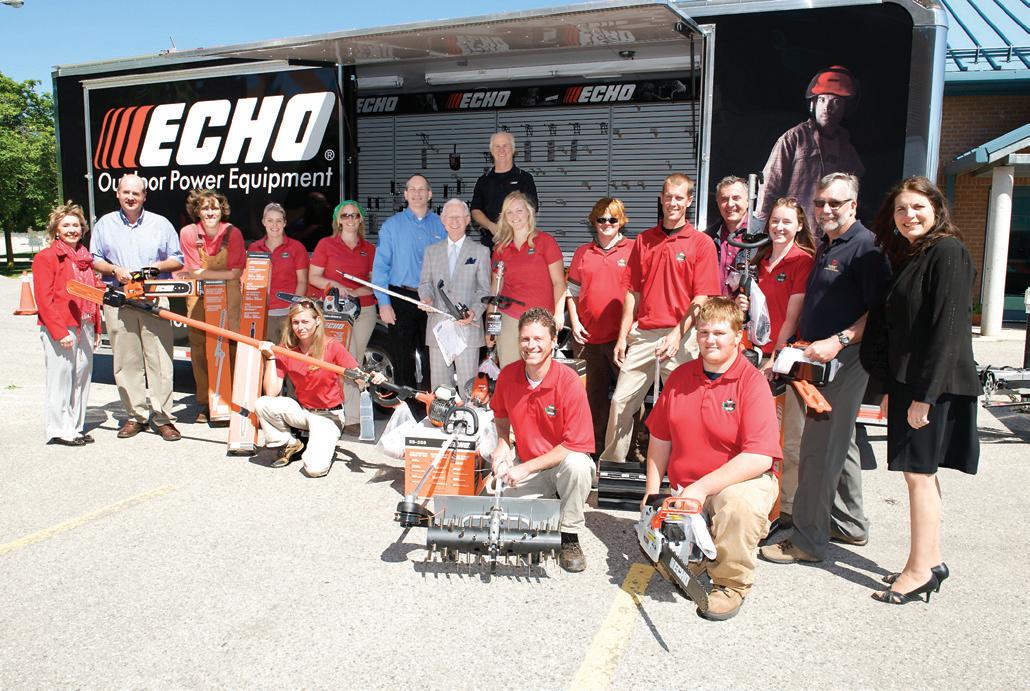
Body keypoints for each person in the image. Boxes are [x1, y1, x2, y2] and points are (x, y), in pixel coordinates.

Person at [760, 172, 891, 566]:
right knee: (840, 441)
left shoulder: (867, 248)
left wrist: (840, 340)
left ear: (853, 205)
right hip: (818, 360)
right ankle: (849, 523)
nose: (826, 209)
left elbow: (881, 311)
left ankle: (807, 540)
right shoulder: (829, 244)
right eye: (820, 203)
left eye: (835, 202)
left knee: (818, 450)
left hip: (845, 360)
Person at [861, 176, 980, 604]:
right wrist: (892, 387)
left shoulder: (948, 252)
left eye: (917, 207)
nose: (908, 215)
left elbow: (948, 330)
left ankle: (918, 571)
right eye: (901, 209)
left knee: (918, 475)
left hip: (932, 386)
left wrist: (924, 397)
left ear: (936, 209)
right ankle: (930, 560)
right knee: (921, 474)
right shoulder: (915, 254)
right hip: (911, 383)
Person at [643, 298, 781, 620]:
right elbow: (660, 439)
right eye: (704, 332)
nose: (710, 340)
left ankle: (731, 584)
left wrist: (702, 488)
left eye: (719, 333)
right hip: (688, 490)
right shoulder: (680, 377)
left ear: (737, 336)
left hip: (738, 481)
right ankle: (700, 554)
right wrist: (651, 496)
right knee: (670, 568)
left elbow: (759, 457)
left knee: (737, 506)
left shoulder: (752, 383)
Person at [600, 173, 720, 464]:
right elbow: (632, 293)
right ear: (661, 199)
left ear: (689, 201)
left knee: (688, 408)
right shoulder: (644, 240)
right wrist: (622, 336)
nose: (672, 203)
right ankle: (612, 468)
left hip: (683, 336)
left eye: (679, 198)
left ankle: (689, 469)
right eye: (668, 197)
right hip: (644, 335)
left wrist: (677, 334)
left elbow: (701, 299)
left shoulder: (701, 243)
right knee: (620, 402)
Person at [490, 308, 595, 572]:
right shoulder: (507, 376)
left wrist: (525, 468)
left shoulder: (569, 381)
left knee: (579, 466)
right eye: (525, 339)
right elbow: (501, 416)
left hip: (560, 465)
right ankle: (549, 505)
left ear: (553, 341)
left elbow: (575, 444)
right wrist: (503, 444)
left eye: (538, 339)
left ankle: (569, 535)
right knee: (496, 513)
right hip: (528, 464)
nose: (531, 345)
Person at [734, 197, 816, 523]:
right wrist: (741, 304)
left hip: (785, 361)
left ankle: (789, 510)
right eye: (775, 221)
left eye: (786, 221)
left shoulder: (802, 261)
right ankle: (757, 503)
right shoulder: (761, 260)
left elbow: (792, 317)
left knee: (790, 439)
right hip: (757, 357)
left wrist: (774, 357)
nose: (779, 227)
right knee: (754, 435)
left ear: (799, 225)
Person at [90, 173, 184, 441]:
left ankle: (163, 418)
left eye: (136, 193)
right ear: (118, 194)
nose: (131, 197)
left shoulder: (160, 224)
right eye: (126, 192)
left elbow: (177, 259)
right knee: (126, 360)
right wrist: (114, 270)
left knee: (160, 360)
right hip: (118, 298)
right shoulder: (105, 224)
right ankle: (135, 416)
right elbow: (95, 259)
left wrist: (155, 267)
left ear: (144, 196)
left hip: (152, 298)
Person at [254, 300, 385, 478]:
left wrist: (374, 377)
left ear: (317, 321)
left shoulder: (331, 346)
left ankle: (322, 444)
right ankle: (289, 443)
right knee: (263, 403)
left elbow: (359, 377)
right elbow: (271, 392)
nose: (300, 327)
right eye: (295, 322)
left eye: (305, 321)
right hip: (303, 412)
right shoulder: (287, 349)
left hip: (328, 416)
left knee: (315, 469)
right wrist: (271, 357)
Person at [566, 197, 636, 457]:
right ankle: (593, 455)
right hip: (588, 340)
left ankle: (627, 455)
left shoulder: (634, 249)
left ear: (621, 221)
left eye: (612, 219)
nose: (607, 223)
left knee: (628, 400)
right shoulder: (582, 253)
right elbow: (571, 292)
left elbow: (640, 293)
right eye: (601, 219)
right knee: (591, 401)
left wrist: (630, 331)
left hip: (623, 340)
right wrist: (574, 323)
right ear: (593, 222)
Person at [755, 66, 865, 230]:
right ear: (813, 104)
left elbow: (854, 196)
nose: (827, 107)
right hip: (795, 232)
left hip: (830, 234)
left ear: (846, 108)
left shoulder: (847, 150)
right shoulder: (794, 139)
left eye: (836, 102)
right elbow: (770, 186)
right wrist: (763, 230)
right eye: (822, 100)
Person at [32, 202, 103, 446]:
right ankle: (59, 429)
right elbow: (44, 299)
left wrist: (96, 327)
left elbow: (93, 294)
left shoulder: (85, 258)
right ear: (56, 230)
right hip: (62, 326)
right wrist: (59, 331)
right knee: (61, 377)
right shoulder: (46, 257)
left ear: (82, 229)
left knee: (82, 375)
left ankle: (75, 426)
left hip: (85, 323)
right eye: (66, 225)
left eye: (76, 225)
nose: (72, 229)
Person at [371, 175, 446, 393]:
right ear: (405, 194)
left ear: (429, 194)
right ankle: (409, 406)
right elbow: (380, 268)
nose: (417, 193)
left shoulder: (442, 225)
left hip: (433, 299)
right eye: (412, 189)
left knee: (434, 357)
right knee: (402, 357)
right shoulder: (391, 226)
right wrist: (384, 304)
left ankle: (433, 404)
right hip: (400, 298)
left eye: (422, 189)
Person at [178, 189, 246, 423]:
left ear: (221, 210)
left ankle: (233, 399)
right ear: (197, 211)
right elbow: (193, 271)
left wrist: (204, 273)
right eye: (205, 208)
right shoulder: (188, 233)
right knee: (200, 348)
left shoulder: (233, 232)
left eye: (214, 207)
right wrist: (220, 274)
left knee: (232, 344)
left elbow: (236, 272)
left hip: (230, 295)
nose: (210, 212)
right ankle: (207, 402)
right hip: (199, 296)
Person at [309, 201, 377, 424]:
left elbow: (376, 283)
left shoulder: (370, 249)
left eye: (354, 215)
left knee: (355, 358)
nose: (350, 219)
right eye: (345, 215)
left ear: (360, 219)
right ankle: (349, 417)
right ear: (338, 220)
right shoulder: (325, 244)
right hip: (336, 311)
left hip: (364, 309)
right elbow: (314, 277)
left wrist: (357, 291)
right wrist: (335, 286)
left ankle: (350, 414)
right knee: (346, 358)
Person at [418, 199, 491, 394]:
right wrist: (427, 298)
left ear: (467, 220)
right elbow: (425, 284)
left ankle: (467, 415)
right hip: (438, 330)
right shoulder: (431, 252)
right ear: (443, 220)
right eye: (450, 217)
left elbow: (484, 290)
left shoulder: (481, 252)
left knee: (468, 390)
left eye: (459, 217)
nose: (455, 221)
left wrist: (473, 312)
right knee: (440, 392)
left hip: (467, 329)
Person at [489, 191, 566, 368]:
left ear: (529, 212)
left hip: (541, 318)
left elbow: (559, 282)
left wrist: (559, 314)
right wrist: (490, 326)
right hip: (509, 318)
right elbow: (495, 291)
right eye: (509, 212)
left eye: (519, 210)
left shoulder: (546, 242)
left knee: (538, 372)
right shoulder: (500, 249)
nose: (514, 216)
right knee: (510, 371)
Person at [248, 202, 309, 343]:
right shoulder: (254, 248)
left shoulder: (296, 247)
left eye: (278, 221)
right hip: (261, 314)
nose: (274, 225)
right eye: (270, 220)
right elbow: (251, 282)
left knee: (287, 354)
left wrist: (293, 310)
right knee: (265, 355)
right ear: (263, 222)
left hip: (287, 314)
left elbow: (302, 281)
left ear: (285, 223)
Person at [470, 131, 539, 249]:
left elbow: (532, 208)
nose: (501, 150)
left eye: (505, 145)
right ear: (492, 151)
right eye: (497, 146)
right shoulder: (483, 180)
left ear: (513, 150)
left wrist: (511, 229)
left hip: (519, 243)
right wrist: (491, 226)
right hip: (490, 243)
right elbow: (475, 210)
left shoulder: (525, 178)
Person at [704, 176, 751, 296]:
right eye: (724, 199)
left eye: (736, 198)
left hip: (748, 307)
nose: (730, 204)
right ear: (718, 203)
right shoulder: (707, 237)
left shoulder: (762, 235)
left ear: (748, 201)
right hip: (713, 306)